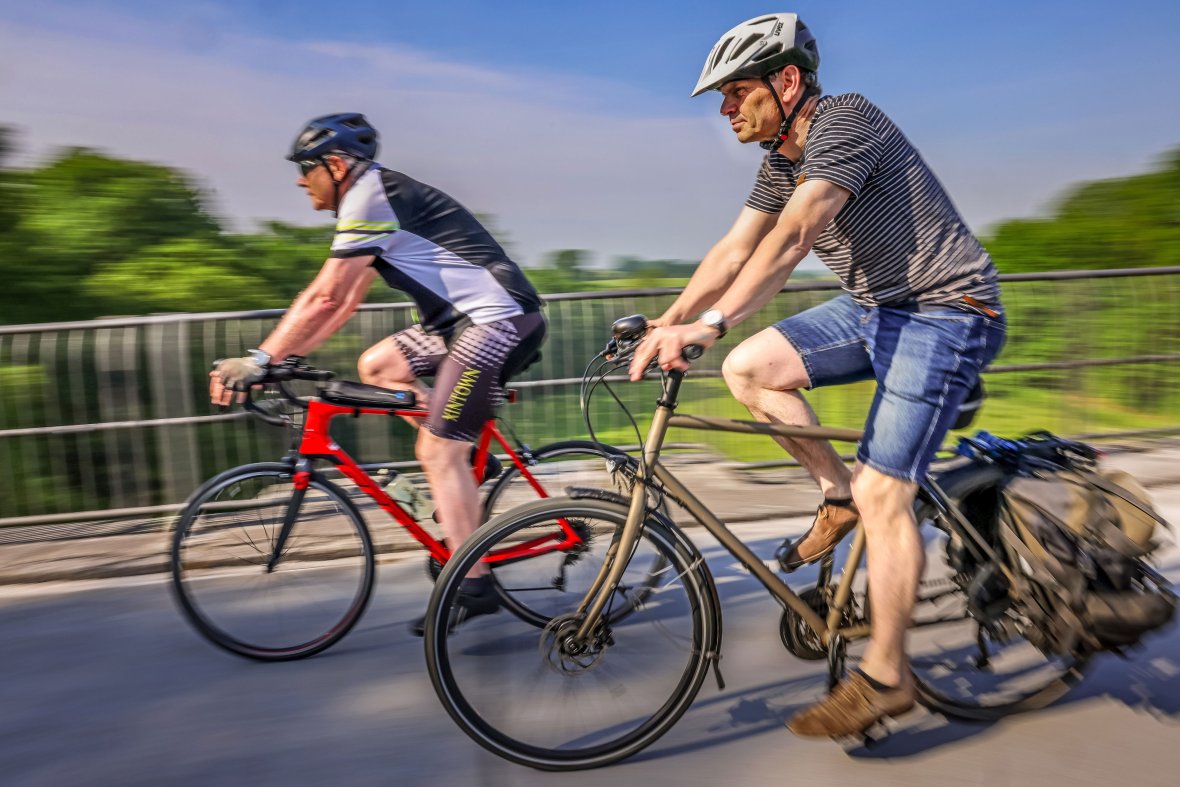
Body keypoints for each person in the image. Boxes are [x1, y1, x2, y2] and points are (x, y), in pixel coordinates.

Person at [630, 14, 1006, 737]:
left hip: (948, 309)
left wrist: (710, 325)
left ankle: (889, 674)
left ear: (788, 81)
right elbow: (736, 247)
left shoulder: (847, 122)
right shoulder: (779, 159)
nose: (724, 108)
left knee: (885, 488)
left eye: (736, 91)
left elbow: (795, 236)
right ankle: (836, 496)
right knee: (750, 368)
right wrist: (668, 318)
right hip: (875, 307)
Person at [210, 113, 546, 635]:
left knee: (436, 451)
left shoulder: (369, 196)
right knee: (379, 365)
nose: (301, 180)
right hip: (457, 325)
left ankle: (475, 583)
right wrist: (281, 357)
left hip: (496, 319)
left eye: (306, 168)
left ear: (337, 164)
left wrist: (260, 360)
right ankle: (469, 455)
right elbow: (342, 302)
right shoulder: (370, 197)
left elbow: (327, 297)